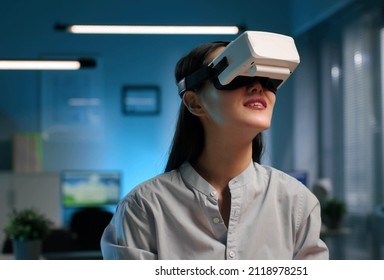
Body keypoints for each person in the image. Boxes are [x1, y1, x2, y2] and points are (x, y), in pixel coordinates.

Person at [100, 31, 329, 260]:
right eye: (239, 76)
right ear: (194, 102)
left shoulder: (297, 202)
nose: (258, 87)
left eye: (269, 80)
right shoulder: (142, 209)